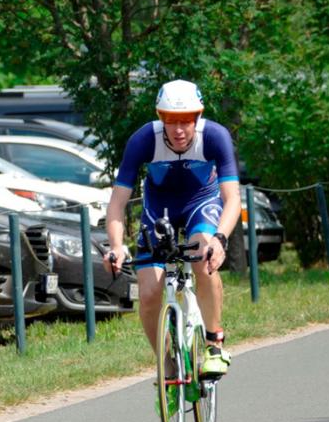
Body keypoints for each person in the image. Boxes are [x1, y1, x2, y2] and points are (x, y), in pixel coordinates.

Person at [103, 79, 241, 378]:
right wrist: (115, 246)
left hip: (201, 203)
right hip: (159, 209)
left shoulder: (215, 136)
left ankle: (214, 343)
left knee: (203, 259)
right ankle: (165, 363)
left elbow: (232, 198)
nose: (178, 129)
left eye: (186, 121)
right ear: (160, 117)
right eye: (171, 120)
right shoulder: (143, 139)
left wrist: (219, 239)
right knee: (150, 293)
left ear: (198, 117)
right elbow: (117, 202)